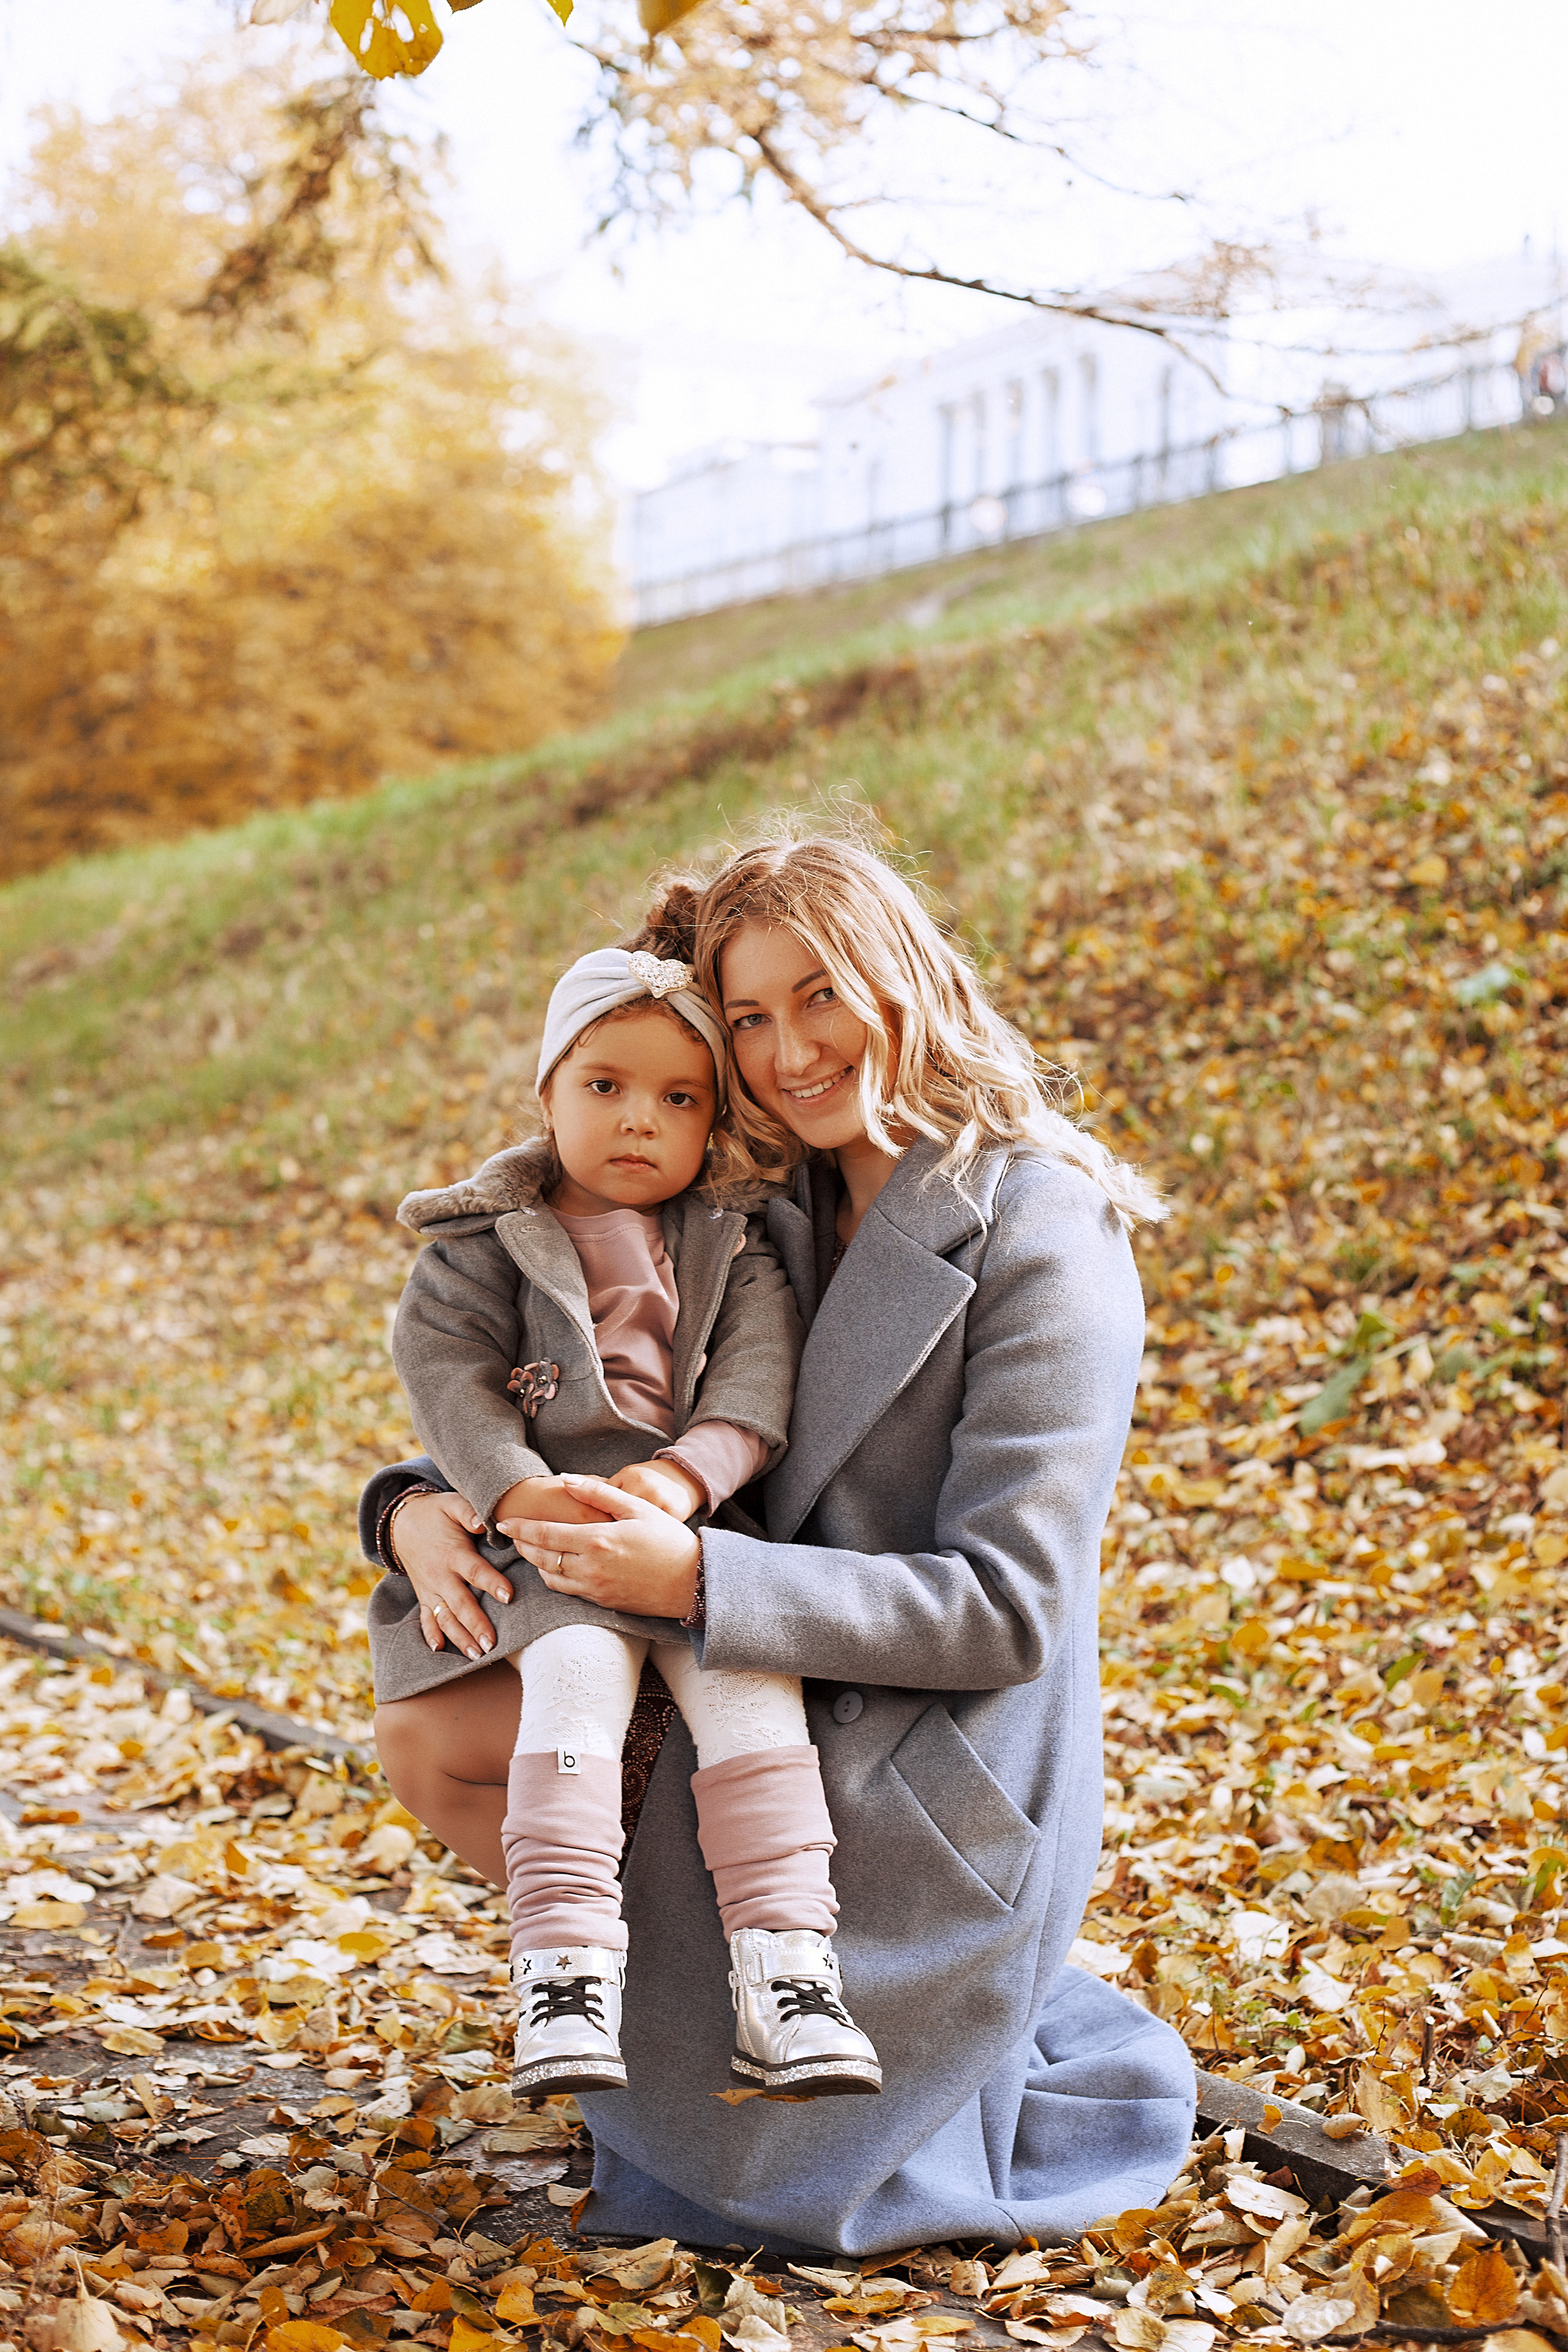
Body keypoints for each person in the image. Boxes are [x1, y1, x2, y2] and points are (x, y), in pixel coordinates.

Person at [364, 832, 1196, 2257]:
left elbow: (1007, 1611)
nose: (790, 1049)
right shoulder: (758, 1196)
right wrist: (409, 1501)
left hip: (932, 1728)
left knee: (765, 2171)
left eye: (819, 994)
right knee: (440, 1711)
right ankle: (622, 1978)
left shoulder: (1046, 1235)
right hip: (754, 1653)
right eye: (746, 1017)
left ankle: (754, 2001)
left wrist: (692, 1579)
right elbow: (559, 1379)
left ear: (902, 977)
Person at [379, 916, 881, 2101]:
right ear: (546, 1091)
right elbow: (443, 1371)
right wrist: (507, 1483)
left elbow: (759, 1383)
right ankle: (564, 1969)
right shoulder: (484, 1242)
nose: (639, 1120)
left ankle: (788, 1971)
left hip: (700, 1534)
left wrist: (682, 1477)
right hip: (548, 1537)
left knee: (756, 1696)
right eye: (604, 1086)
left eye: (678, 1099)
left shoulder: (731, 1242)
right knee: (576, 1688)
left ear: (714, 1122)